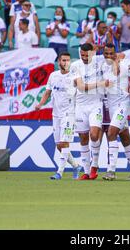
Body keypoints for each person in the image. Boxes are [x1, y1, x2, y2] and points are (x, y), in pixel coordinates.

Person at [35, 52, 83, 180]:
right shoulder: (53, 76)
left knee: (64, 142)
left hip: (69, 114)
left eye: (68, 60)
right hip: (56, 115)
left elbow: (82, 90)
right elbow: (47, 92)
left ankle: (59, 173)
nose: (66, 62)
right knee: (59, 145)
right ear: (59, 62)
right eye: (63, 60)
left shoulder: (74, 76)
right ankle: (76, 165)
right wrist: (40, 104)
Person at [101, 44, 130, 181]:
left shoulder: (125, 64)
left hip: (124, 103)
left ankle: (111, 171)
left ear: (116, 54)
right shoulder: (102, 66)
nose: (108, 56)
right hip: (112, 106)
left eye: (111, 53)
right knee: (125, 136)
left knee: (111, 132)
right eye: (106, 53)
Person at [71, 42, 110, 180]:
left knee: (94, 135)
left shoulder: (99, 61)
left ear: (92, 53)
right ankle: (86, 171)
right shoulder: (75, 66)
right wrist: (101, 84)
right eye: (82, 55)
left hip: (95, 104)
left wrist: (99, 46)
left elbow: (120, 56)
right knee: (83, 138)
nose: (84, 58)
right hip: (80, 106)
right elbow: (81, 87)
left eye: (87, 55)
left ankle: (94, 165)